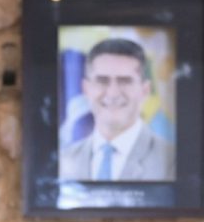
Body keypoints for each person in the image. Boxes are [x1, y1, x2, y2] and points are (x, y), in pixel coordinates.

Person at [58, 38, 176, 183]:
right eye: (102, 80)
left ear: (145, 90)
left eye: (125, 81)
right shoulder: (62, 161)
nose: (113, 93)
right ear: (86, 89)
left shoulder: (173, 161)